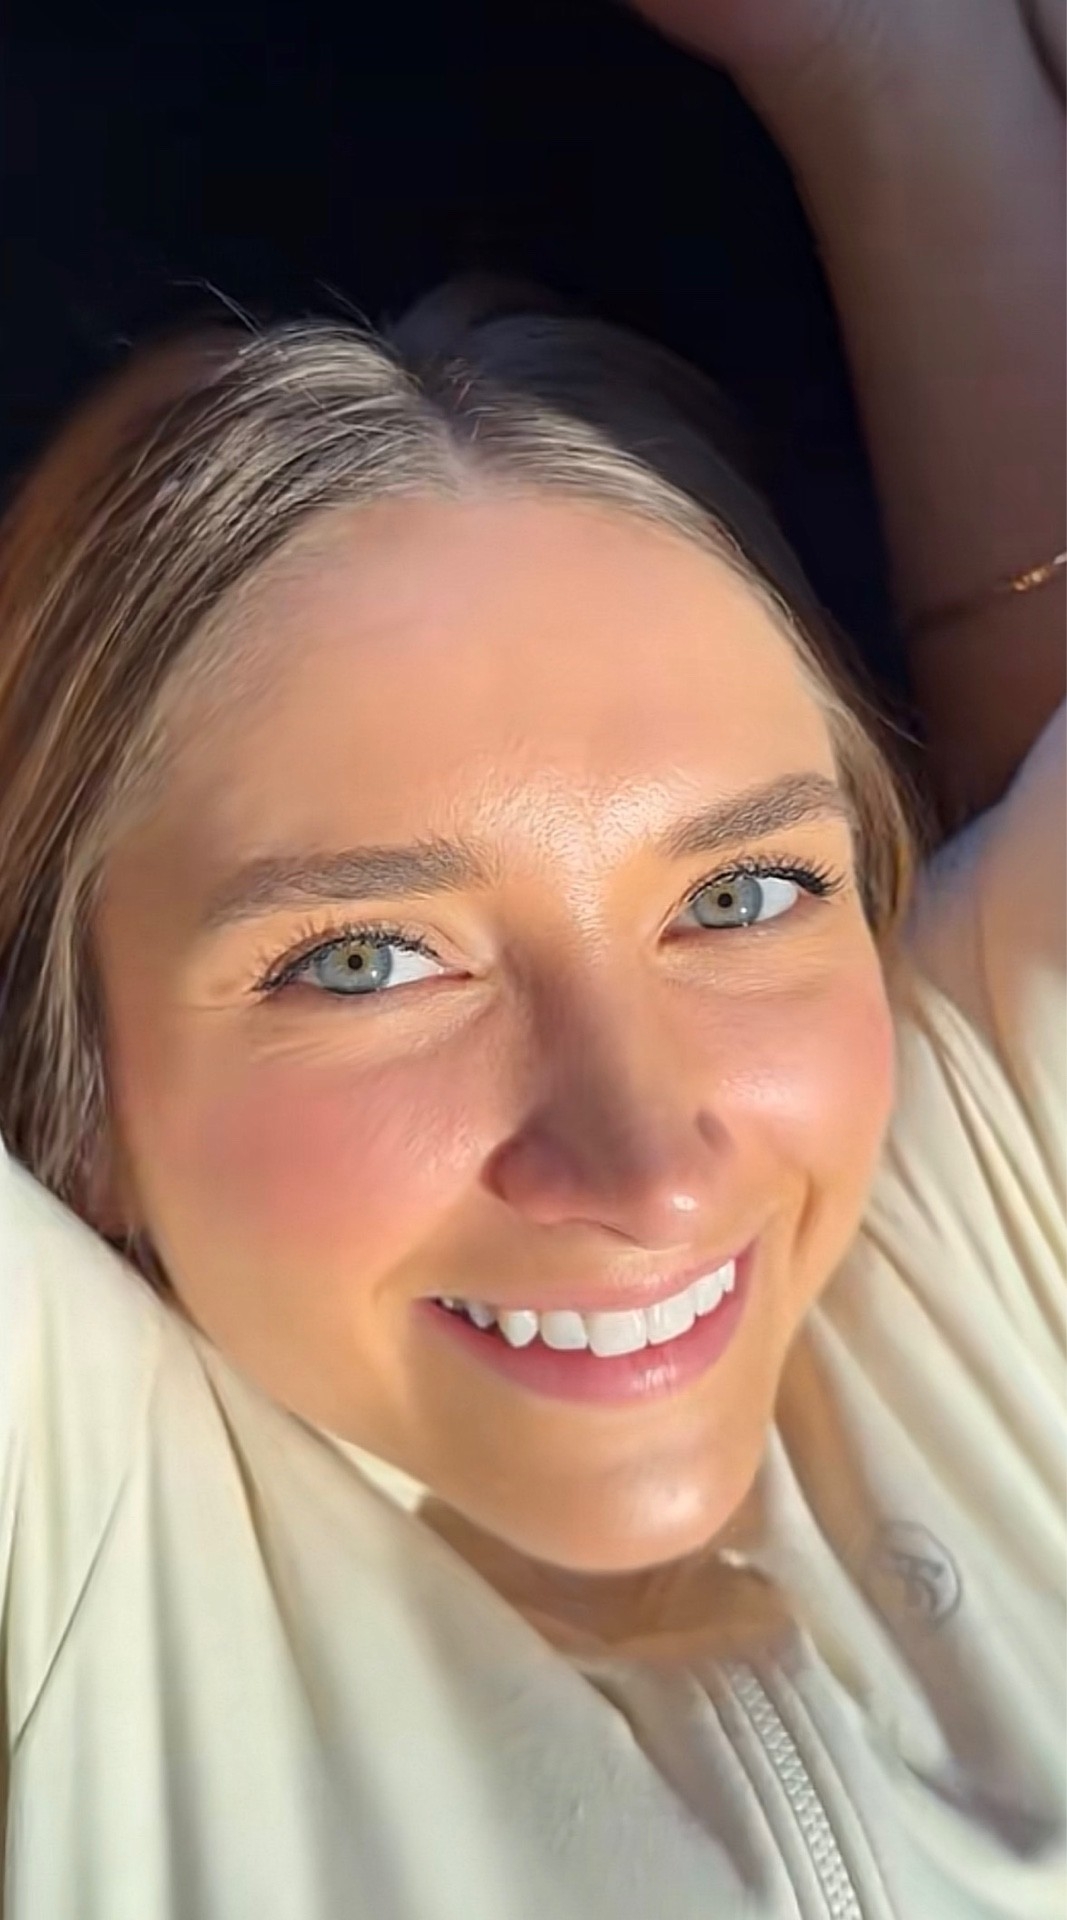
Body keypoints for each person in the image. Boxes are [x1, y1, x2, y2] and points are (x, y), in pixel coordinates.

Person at [0, 1, 1063, 1915]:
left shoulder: (981, 1232)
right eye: (366, 961)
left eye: (740, 897)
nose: (650, 1168)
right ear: (80, 1100)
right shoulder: (80, 1570)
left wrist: (888, 63)